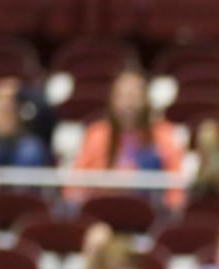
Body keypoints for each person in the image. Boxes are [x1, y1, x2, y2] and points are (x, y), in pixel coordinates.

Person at [68, 70, 187, 209]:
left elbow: (176, 185)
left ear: (145, 100)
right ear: (112, 101)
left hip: (149, 211)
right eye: (122, 97)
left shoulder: (163, 134)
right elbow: (75, 183)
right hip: (103, 208)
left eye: (133, 97)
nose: (128, 104)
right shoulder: (96, 134)